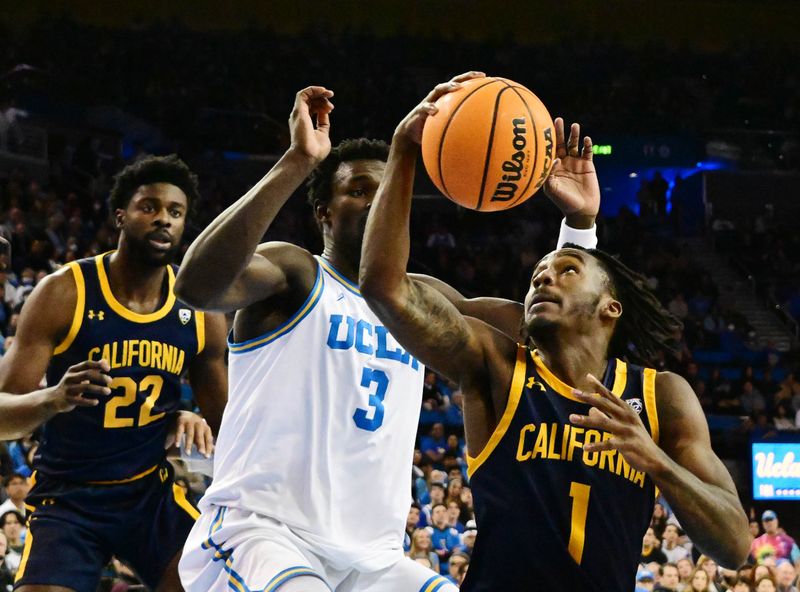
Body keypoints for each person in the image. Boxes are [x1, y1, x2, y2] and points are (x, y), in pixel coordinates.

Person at [176, 83, 600, 592]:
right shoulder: (296, 273)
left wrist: (579, 225)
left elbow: (546, 338)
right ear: (324, 214)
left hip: (372, 559)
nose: (377, 200)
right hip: (262, 535)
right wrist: (297, 160)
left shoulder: (421, 301)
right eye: (358, 190)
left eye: (386, 190)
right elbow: (197, 286)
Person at [359, 72, 751, 591]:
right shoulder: (496, 367)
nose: (544, 277)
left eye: (565, 270)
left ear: (611, 308)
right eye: (537, 275)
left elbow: (734, 545)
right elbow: (385, 287)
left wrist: (654, 460)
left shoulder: (661, 398)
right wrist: (406, 151)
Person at [0, 155, 229, 591]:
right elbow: (2, 415)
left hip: (149, 494)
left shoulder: (199, 311)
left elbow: (230, 423)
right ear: (121, 215)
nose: (163, 219)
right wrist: (54, 398)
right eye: (150, 207)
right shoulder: (64, 291)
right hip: (69, 498)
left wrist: (180, 416)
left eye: (175, 212)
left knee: (215, 583)